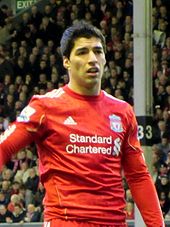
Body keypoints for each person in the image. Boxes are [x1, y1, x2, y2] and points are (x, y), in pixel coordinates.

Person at [0, 21, 165, 227]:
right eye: (82, 52)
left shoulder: (122, 112)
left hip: (114, 222)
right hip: (66, 222)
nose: (92, 59)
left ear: (105, 58)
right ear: (66, 61)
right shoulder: (45, 107)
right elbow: (4, 148)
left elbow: (138, 176)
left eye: (98, 51)